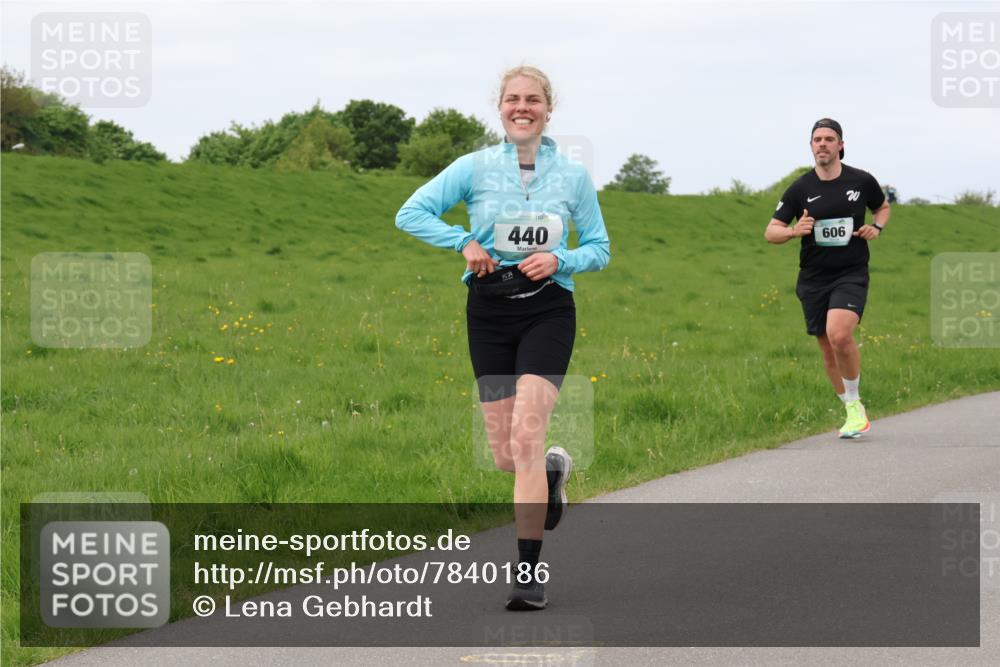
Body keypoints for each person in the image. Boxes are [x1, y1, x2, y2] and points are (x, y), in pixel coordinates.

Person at [395, 66, 610, 610]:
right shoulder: (473, 167)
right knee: (506, 456)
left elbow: (600, 247)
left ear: (548, 109)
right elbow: (410, 212)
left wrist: (561, 259)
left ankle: (529, 575)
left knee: (527, 438)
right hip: (489, 313)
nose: (522, 108)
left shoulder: (573, 177)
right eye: (513, 99)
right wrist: (462, 241)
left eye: (532, 99)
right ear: (500, 108)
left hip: (548, 310)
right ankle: (553, 475)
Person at [764, 118, 891, 438]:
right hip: (813, 277)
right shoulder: (800, 188)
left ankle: (854, 403)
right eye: (817, 139)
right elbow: (771, 232)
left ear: (841, 145)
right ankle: (852, 410)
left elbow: (882, 207)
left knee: (839, 335)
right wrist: (794, 231)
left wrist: (876, 227)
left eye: (829, 139)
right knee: (826, 347)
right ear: (811, 146)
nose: (822, 144)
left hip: (850, 272)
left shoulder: (861, 181)